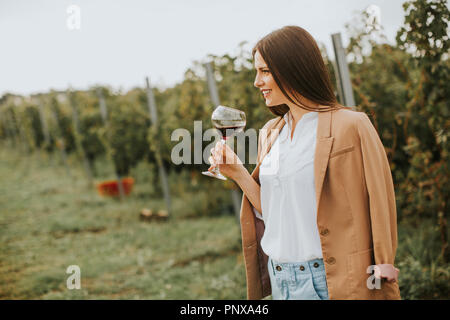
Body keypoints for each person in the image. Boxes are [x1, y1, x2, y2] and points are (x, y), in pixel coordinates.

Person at [208, 25, 401, 300]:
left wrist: (382, 274)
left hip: (329, 281)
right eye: (256, 72)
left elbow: (381, 205)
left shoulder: (352, 126)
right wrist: (238, 173)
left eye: (264, 71)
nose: (256, 82)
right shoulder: (270, 132)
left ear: (292, 69)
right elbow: (274, 211)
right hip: (281, 280)